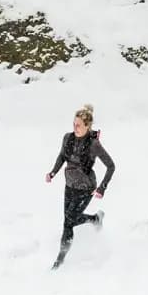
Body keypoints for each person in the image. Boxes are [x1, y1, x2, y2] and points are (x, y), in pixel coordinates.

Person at [46, 104, 115, 269]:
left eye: (78, 125)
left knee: (69, 222)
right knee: (69, 220)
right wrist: (53, 172)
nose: (75, 127)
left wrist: (102, 188)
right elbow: (62, 156)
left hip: (86, 187)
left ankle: (59, 261)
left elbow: (111, 166)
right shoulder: (67, 138)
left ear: (87, 126)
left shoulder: (93, 145)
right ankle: (94, 219)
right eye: (74, 124)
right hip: (69, 185)